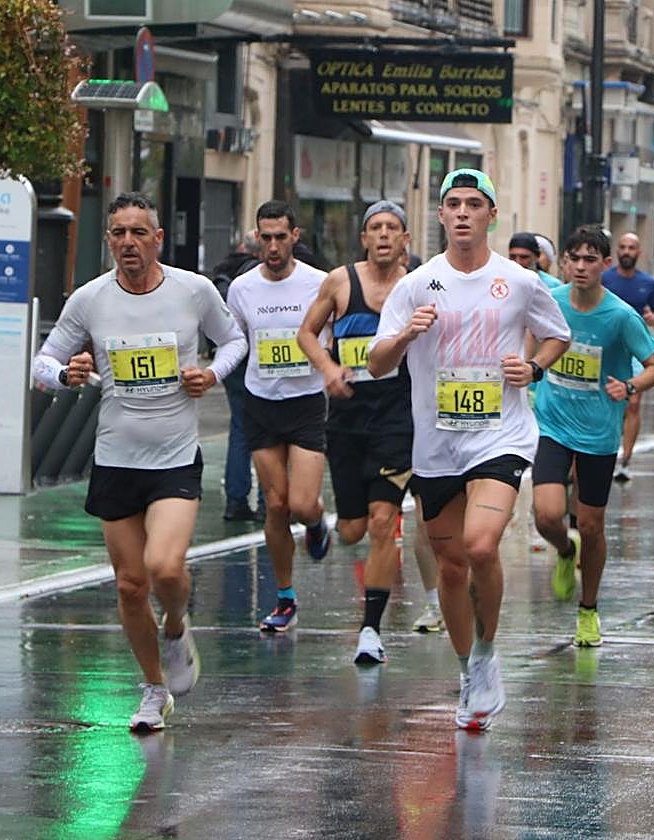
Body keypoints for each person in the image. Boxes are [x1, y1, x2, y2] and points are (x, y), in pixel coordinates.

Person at [32, 192, 247, 732]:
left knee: (165, 568)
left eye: (137, 232)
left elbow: (235, 341)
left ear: (157, 238)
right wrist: (66, 374)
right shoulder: (90, 299)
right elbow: (43, 361)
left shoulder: (193, 291)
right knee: (130, 585)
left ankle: (176, 626)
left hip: (174, 457)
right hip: (116, 457)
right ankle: (154, 690)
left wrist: (212, 375)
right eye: (118, 233)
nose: (128, 242)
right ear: (109, 241)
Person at [368, 168, 571, 731]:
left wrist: (531, 367)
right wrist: (407, 334)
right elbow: (376, 363)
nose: (462, 213)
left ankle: (487, 650)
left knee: (482, 547)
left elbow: (558, 335)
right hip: (436, 445)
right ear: (439, 216)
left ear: (491, 215)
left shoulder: (520, 281)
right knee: (452, 568)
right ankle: (468, 668)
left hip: (499, 435)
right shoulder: (415, 284)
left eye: (473, 204)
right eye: (452, 204)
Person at [296, 200, 441, 665]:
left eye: (392, 228)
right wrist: (328, 367)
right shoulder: (340, 282)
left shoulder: (419, 286)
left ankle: (370, 631)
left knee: (383, 523)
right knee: (353, 530)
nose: (382, 235)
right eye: (374, 228)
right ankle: (321, 522)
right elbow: (305, 334)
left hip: (398, 417)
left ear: (405, 240)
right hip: (348, 416)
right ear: (363, 238)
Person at [532, 225, 654, 645]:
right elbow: (531, 341)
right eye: (576, 258)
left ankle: (588, 610)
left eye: (592, 259)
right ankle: (564, 552)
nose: (582, 266)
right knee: (548, 514)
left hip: (599, 432)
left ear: (606, 265)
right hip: (552, 424)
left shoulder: (621, 316)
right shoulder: (550, 304)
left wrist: (628, 387)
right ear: (565, 263)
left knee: (590, 524)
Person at [226, 201, 332, 634]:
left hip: (307, 401)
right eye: (264, 237)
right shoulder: (242, 288)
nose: (271, 246)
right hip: (262, 402)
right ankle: (285, 597)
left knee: (303, 504)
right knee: (275, 504)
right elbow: (235, 340)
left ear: (295, 236)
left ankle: (317, 522)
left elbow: (337, 335)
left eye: (279, 237)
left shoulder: (320, 284)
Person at [210, 230, 264, 521]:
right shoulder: (259, 276)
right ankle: (267, 502)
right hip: (257, 358)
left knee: (240, 429)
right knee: (268, 430)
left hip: (232, 359)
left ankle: (236, 500)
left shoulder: (223, 273)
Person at [601, 233, 654, 482]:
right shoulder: (606, 279)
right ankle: (604, 450)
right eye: (623, 247)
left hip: (636, 349)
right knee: (607, 400)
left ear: (640, 253)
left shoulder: (647, 283)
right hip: (608, 348)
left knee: (633, 401)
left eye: (631, 248)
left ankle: (625, 460)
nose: (626, 251)